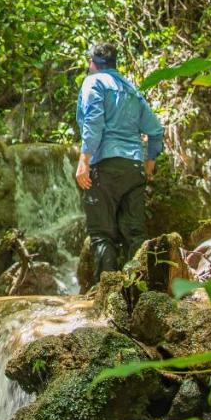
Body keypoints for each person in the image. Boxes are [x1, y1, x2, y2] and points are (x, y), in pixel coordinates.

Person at [74, 41, 164, 285]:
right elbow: (156, 131)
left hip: (104, 165)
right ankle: (141, 290)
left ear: (92, 63)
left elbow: (94, 122)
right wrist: (149, 162)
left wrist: (84, 160)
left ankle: (105, 292)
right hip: (133, 167)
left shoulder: (93, 82)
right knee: (135, 233)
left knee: (102, 234)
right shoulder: (132, 89)